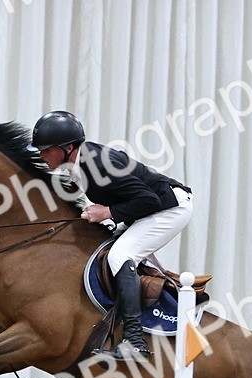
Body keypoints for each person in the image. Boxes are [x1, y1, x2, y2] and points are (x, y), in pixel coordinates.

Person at [28, 110, 192, 360]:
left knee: (120, 256)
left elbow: (148, 199)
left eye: (46, 149)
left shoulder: (97, 164)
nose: (41, 155)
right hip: (149, 207)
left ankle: (135, 341)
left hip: (170, 208)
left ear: (68, 147)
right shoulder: (76, 163)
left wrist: (107, 212)